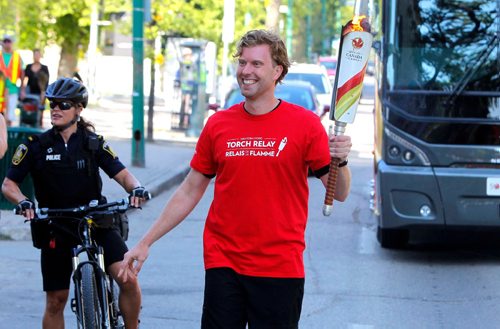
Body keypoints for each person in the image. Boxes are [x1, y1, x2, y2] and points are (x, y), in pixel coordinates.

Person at [119, 29, 353, 328]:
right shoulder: (219, 124)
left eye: (256, 64)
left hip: (279, 266)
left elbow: (341, 192)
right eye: (242, 63)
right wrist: (146, 241)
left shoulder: (305, 124)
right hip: (223, 261)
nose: (246, 71)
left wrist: (341, 160)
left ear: (277, 70)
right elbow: (190, 189)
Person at [1, 77, 149, 329]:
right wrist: (24, 202)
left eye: (64, 104)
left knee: (128, 279)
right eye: (52, 104)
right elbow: (9, 185)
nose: (56, 109)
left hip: (96, 221)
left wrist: (136, 188)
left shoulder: (93, 142)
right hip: (55, 225)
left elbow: (122, 174)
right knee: (55, 301)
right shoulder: (35, 147)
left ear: (79, 109)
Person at [0, 34, 25, 126]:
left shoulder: (17, 56)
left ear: (12, 43)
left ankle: (8, 136)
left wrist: (22, 89)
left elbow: (22, 73)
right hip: (0, 90)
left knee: (10, 116)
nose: (7, 43)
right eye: (5, 41)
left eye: (8, 41)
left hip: (12, 89)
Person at [22, 49, 50, 127]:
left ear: (40, 56)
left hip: (40, 92)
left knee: (40, 109)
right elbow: (24, 79)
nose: (36, 56)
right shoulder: (28, 66)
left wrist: (43, 92)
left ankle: (39, 125)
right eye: (35, 54)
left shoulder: (44, 68)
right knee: (28, 108)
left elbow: (46, 81)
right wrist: (23, 90)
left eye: (38, 55)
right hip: (30, 91)